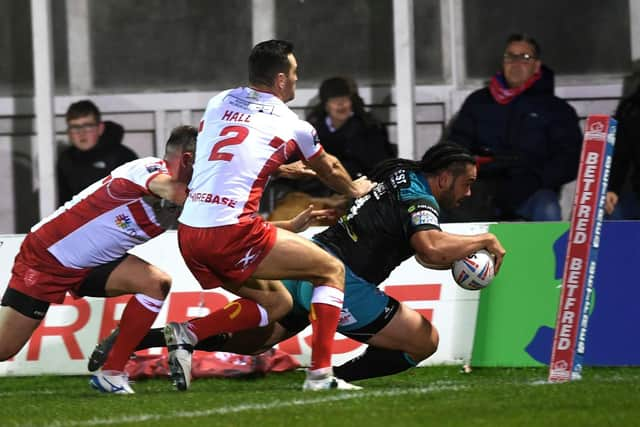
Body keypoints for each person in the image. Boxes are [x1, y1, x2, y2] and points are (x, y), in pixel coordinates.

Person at [90, 142, 506, 386]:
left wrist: (460, 251)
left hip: (311, 259)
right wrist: (483, 239)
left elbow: (424, 251)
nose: (468, 193)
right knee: (424, 341)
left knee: (253, 339)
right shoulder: (421, 198)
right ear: (445, 176)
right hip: (341, 277)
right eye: (467, 183)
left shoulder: (400, 173)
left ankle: (141, 340)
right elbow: (431, 248)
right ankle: (336, 376)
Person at [168, 39, 375, 392]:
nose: (297, 80)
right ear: (280, 80)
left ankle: (187, 333)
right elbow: (330, 168)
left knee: (276, 301)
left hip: (189, 232)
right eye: (295, 74)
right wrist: (355, 189)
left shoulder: (218, 102)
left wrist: (282, 168)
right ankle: (321, 375)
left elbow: (228, 154)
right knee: (330, 270)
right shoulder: (292, 124)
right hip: (230, 232)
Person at [0, 125, 197, 395]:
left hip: (92, 264)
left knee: (156, 284)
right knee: (4, 348)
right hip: (48, 256)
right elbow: (172, 191)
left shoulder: (186, 193)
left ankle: (112, 374)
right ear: (187, 159)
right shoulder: (148, 170)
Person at [446, 33, 582, 222]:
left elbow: (570, 158)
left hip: (532, 188)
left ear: (536, 66)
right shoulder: (479, 102)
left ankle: (543, 253)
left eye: (525, 58)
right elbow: (456, 144)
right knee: (446, 205)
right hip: (481, 186)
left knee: (548, 208)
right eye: (510, 57)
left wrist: (536, 179)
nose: (516, 63)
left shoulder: (556, 109)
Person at [57, 100, 138, 204]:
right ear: (68, 132)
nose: (82, 133)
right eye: (75, 127)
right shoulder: (66, 160)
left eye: (88, 126)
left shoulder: (122, 156)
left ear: (100, 128)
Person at [605, 83, 640, 219]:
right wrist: (612, 188)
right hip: (635, 192)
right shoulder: (631, 109)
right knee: (609, 209)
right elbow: (620, 156)